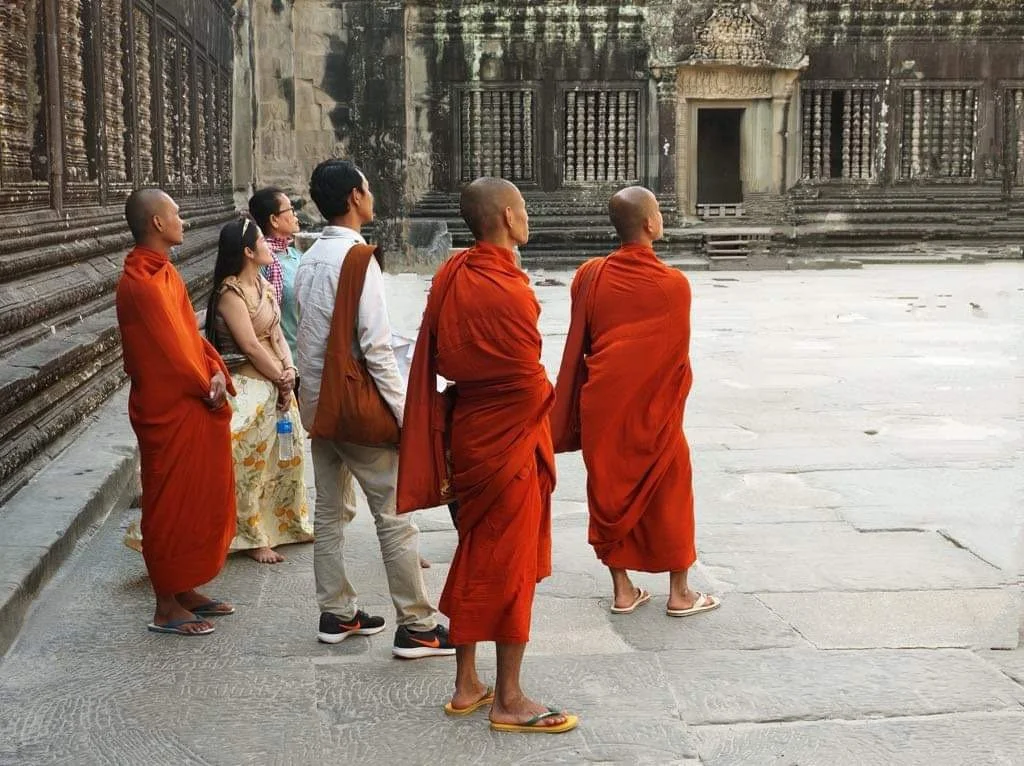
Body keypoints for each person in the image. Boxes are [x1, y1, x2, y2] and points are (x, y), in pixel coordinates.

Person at [398, 177, 578, 733]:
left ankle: (466, 685)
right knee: (508, 566)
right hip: (507, 439)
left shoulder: (452, 273)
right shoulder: (508, 289)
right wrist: (545, 397)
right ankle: (509, 698)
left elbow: (448, 359)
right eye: (523, 208)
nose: (527, 217)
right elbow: (528, 381)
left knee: (477, 551)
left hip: (471, 432)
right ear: (506, 216)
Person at [294, 158, 452, 657]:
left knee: (330, 512)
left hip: (319, 405)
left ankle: (336, 611)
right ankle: (417, 623)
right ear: (354, 199)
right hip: (357, 410)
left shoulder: (308, 257)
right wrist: (406, 417)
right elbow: (376, 348)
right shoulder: (359, 258)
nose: (371, 194)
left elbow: (308, 335)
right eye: (366, 187)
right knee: (394, 514)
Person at [551, 186, 720, 618]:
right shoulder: (674, 285)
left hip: (602, 407)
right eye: (658, 211)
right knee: (672, 488)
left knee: (608, 489)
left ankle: (623, 590)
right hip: (654, 411)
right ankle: (680, 593)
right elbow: (674, 359)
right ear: (650, 223)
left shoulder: (589, 276)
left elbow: (587, 340)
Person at [115, 188, 236, 636]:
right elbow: (171, 355)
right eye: (177, 214)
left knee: (198, 496)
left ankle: (183, 587)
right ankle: (165, 604)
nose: (183, 221)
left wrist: (216, 370)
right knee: (169, 505)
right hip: (168, 408)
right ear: (157, 224)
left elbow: (190, 338)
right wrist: (208, 385)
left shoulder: (165, 273)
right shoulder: (142, 285)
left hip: (192, 399)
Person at [205, 217, 314, 564]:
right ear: (248, 252)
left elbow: (276, 334)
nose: (268, 245)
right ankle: (250, 536)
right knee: (249, 465)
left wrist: (290, 371)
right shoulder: (230, 293)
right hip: (249, 386)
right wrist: (280, 378)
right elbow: (250, 345)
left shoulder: (263, 284)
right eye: (262, 242)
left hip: (276, 383)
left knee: (286, 461)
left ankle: (285, 526)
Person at [248, 187, 303, 359]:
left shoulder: (296, 255)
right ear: (274, 220)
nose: (295, 215)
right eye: (291, 209)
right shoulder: (262, 264)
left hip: (307, 357)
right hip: (280, 359)